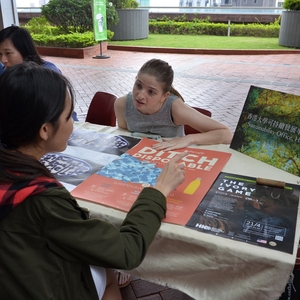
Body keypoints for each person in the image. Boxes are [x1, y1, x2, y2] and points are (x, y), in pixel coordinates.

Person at [0, 62, 187, 300]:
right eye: (69, 116)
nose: (73, 124)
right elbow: (126, 250)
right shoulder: (44, 202)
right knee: (106, 270)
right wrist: (159, 191)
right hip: (44, 286)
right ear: (45, 130)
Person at [114, 58, 233, 151]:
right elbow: (124, 136)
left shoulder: (174, 108)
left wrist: (189, 138)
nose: (140, 95)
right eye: (138, 85)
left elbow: (226, 134)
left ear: (164, 96)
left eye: (151, 92)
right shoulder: (122, 104)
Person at [0, 25, 78, 121]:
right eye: (0, 54)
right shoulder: (7, 72)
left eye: (8, 53)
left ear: (23, 50)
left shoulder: (47, 73)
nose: (3, 60)